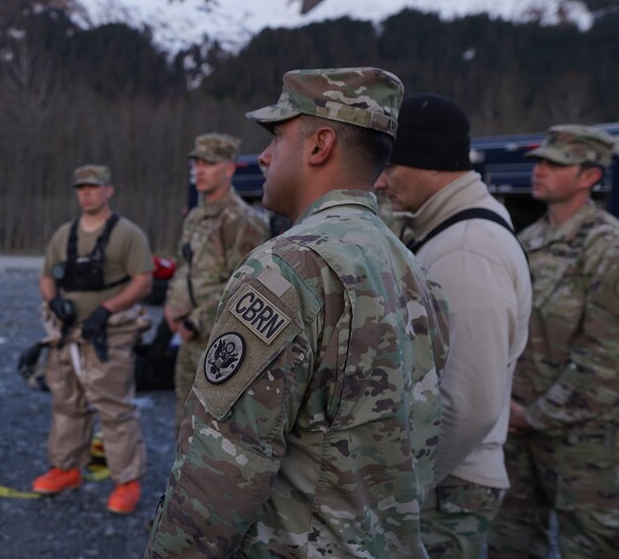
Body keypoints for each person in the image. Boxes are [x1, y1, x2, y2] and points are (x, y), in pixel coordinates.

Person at [145, 67, 450, 557]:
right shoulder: (413, 269)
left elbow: (224, 469)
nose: (263, 156)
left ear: (319, 145)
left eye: (277, 136)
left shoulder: (290, 266)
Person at [374, 93, 532, 557]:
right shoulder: (451, 231)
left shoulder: (466, 249)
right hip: (444, 481)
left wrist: (397, 491)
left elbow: (469, 405)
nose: (381, 182)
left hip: (446, 484)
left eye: (392, 166)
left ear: (431, 164)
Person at [489, 125, 619, 557]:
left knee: (590, 547)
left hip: (584, 440)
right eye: (539, 162)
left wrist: (537, 415)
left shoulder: (606, 249)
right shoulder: (527, 243)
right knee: (511, 543)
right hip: (516, 426)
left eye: (555, 163)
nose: (540, 170)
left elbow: (605, 359)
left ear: (590, 177)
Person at [33, 164, 153, 515]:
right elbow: (45, 276)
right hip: (67, 335)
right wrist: (53, 300)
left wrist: (107, 309)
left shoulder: (127, 234)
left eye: (93, 186)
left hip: (109, 334)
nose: (87, 192)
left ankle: (127, 481)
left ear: (108, 190)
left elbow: (142, 282)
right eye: (81, 187)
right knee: (67, 404)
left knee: (115, 409)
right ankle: (66, 467)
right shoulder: (63, 235)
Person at [165, 133, 268, 436]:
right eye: (196, 162)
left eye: (208, 163)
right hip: (186, 337)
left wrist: (196, 321)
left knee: (216, 428)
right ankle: (180, 482)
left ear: (229, 168)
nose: (198, 170)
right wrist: (171, 306)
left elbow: (246, 285)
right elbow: (185, 266)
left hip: (220, 342)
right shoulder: (195, 218)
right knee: (184, 421)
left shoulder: (242, 221)